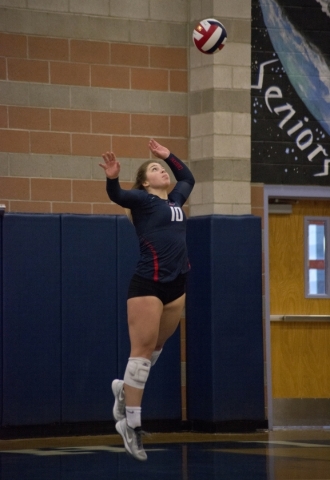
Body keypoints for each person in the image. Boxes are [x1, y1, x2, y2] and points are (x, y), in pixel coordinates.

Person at [99, 139, 195, 461]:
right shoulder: (141, 201)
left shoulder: (176, 200)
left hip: (177, 285)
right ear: (144, 181)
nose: (162, 171)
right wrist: (113, 177)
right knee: (140, 355)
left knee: (155, 349)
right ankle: (131, 425)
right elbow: (117, 195)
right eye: (155, 169)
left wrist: (167, 155)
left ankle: (124, 391)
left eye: (163, 169)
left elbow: (188, 179)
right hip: (148, 285)